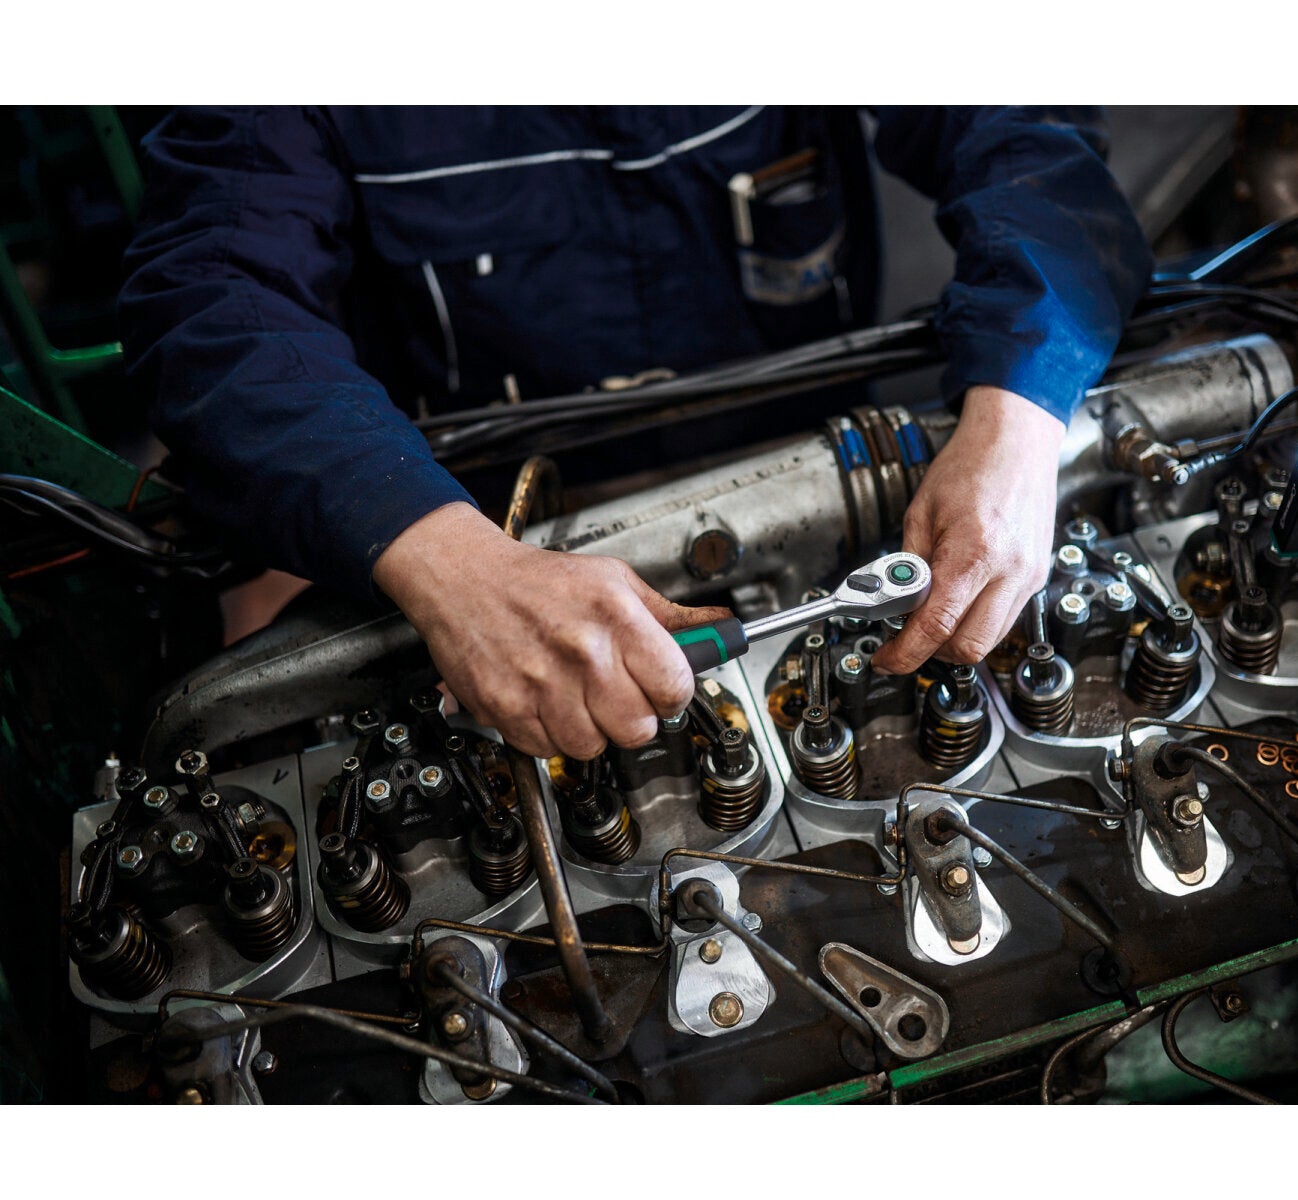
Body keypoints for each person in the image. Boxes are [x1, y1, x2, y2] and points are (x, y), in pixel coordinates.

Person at [119, 107, 1151, 761]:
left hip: (813, 458)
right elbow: (212, 308)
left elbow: (1026, 131)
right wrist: (443, 559)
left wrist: (1020, 419)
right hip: (492, 534)